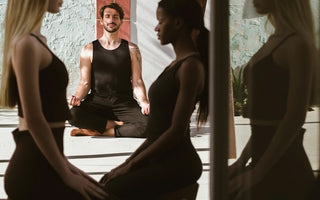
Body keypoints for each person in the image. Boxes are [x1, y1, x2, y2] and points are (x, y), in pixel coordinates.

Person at [97, 0, 208, 199]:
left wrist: (130, 166)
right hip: (161, 158)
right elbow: (156, 133)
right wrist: (124, 165)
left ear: (178, 23)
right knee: (105, 182)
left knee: (106, 192)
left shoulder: (190, 67)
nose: (156, 28)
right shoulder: (176, 64)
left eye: (161, 21)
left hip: (177, 163)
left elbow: (175, 131)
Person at [0, 0, 107, 199]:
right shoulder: (26, 44)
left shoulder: (37, 41)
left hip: (45, 163)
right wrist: (66, 174)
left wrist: (68, 167)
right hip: (32, 170)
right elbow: (33, 119)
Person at [228, 0, 317, 199]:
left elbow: (294, 118)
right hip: (266, 160)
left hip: (285, 167)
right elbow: (264, 124)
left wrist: (257, 173)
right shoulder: (275, 40)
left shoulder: (296, 44)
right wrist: (242, 162)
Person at [68, 3, 149, 138]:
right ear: (101, 21)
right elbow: (84, 83)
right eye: (107, 16)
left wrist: (144, 101)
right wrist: (77, 97)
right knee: (73, 115)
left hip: (124, 103)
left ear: (121, 21)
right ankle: (116, 124)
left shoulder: (132, 49)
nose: (111, 20)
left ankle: (98, 130)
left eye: (115, 17)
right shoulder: (88, 49)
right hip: (97, 102)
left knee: (148, 124)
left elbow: (137, 81)